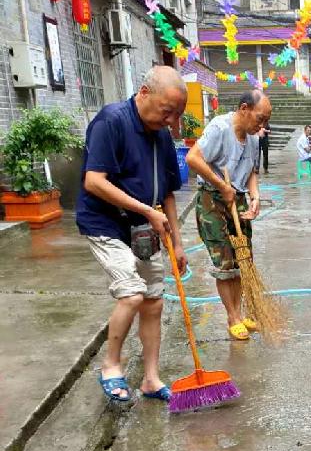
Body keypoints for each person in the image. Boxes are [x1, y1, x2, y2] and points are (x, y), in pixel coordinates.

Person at [76, 65, 188, 403]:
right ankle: (111, 366)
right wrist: (146, 211)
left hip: (145, 228)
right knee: (132, 294)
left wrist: (177, 244)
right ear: (143, 93)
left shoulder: (162, 136)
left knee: (153, 301)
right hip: (106, 224)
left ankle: (151, 379)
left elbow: (167, 192)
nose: (170, 121)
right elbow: (93, 181)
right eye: (167, 112)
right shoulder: (112, 121)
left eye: (176, 116)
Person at [186, 89, 271, 340]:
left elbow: (252, 172)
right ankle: (232, 316)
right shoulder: (219, 128)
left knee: (243, 259)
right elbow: (193, 158)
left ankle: (242, 312)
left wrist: (255, 197)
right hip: (213, 198)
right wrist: (222, 186)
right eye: (260, 118)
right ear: (244, 109)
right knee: (225, 263)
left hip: (239, 198)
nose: (262, 125)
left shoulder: (254, 138)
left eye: (266, 120)